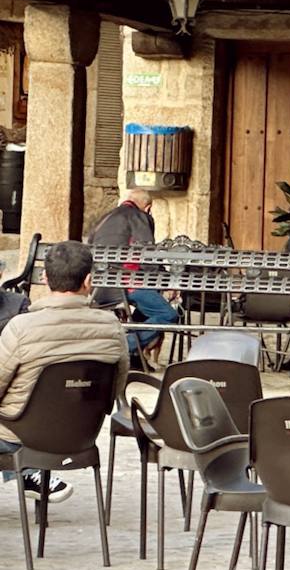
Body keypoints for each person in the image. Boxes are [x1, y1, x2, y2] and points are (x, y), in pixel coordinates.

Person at [0, 241, 128, 503]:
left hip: (19, 435)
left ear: (45, 278)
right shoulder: (113, 328)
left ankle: (28, 470)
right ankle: (30, 474)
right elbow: (115, 390)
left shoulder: (21, 328)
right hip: (81, 433)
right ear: (89, 280)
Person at [89, 187, 179, 359]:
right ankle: (124, 345)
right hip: (126, 285)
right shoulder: (140, 217)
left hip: (99, 288)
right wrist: (167, 282)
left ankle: (135, 353)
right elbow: (147, 257)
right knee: (168, 315)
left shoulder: (104, 218)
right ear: (148, 208)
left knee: (146, 310)